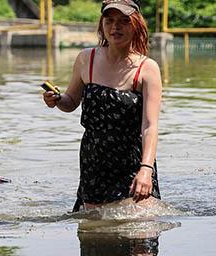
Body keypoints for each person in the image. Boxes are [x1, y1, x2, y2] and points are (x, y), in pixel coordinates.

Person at [42, 0, 163, 211]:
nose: (115, 27)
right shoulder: (85, 59)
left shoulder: (147, 68)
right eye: (110, 21)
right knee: (94, 233)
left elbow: (150, 127)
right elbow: (71, 101)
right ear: (102, 25)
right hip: (94, 161)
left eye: (124, 21)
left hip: (132, 161)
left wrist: (146, 169)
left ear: (136, 25)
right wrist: (57, 100)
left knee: (142, 235)